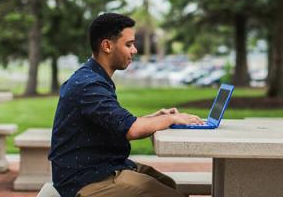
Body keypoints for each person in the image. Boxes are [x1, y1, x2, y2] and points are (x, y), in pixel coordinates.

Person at [49, 13, 204, 197]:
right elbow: (132, 130)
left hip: (102, 167)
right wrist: (170, 118)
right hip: (85, 179)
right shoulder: (88, 84)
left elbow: (116, 122)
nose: (134, 50)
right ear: (107, 46)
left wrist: (154, 119)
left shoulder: (94, 77)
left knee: (168, 184)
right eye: (128, 44)